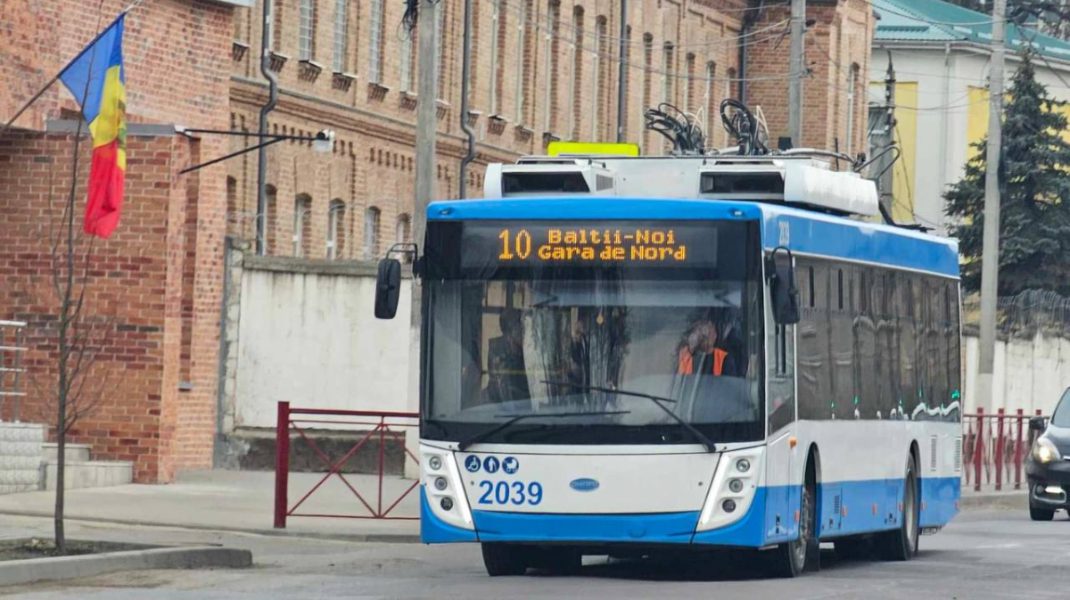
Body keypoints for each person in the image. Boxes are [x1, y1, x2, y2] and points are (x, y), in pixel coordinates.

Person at [486, 308, 531, 405]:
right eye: (520, 327)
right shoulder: (500, 360)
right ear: (509, 332)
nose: (524, 331)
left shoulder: (525, 351)